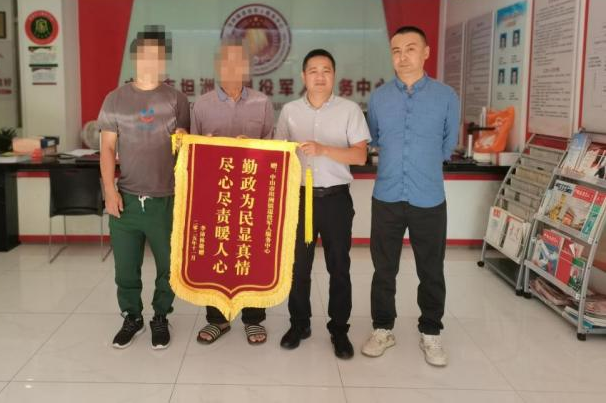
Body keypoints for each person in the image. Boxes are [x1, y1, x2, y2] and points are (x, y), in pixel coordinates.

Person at [363, 26, 460, 367]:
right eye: (396, 50)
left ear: (426, 52)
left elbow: (448, 144)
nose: (402, 57)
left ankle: (431, 332)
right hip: (387, 195)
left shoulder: (446, 96)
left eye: (410, 49)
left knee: (431, 270)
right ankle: (382, 328)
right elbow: (375, 139)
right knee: (383, 269)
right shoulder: (378, 98)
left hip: (428, 197)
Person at [98, 26, 190, 351]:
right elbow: (107, 148)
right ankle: (132, 317)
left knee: (169, 267)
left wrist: (183, 139)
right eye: (144, 54)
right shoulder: (115, 99)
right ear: (134, 57)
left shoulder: (177, 99)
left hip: (166, 200)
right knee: (125, 267)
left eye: (157, 55)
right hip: (125, 198)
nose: (151, 60)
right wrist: (109, 191)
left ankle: (160, 316)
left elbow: (186, 148)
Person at [276, 49, 370, 359]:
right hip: (299, 199)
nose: (319, 76)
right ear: (303, 76)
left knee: (339, 267)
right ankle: (299, 324)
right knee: (298, 267)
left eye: (326, 70)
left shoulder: (349, 110)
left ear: (334, 75)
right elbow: (278, 153)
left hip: (335, 200)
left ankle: (339, 330)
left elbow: (360, 155)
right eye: (313, 70)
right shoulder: (289, 111)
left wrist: (324, 149)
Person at [192, 36, 275, 345]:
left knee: (251, 256)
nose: (232, 67)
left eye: (239, 60)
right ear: (217, 65)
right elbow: (191, 154)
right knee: (215, 257)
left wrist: (251, 147)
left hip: (252, 195)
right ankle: (217, 319)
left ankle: (254, 319)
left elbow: (272, 150)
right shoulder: (201, 105)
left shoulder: (262, 103)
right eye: (226, 60)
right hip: (214, 197)